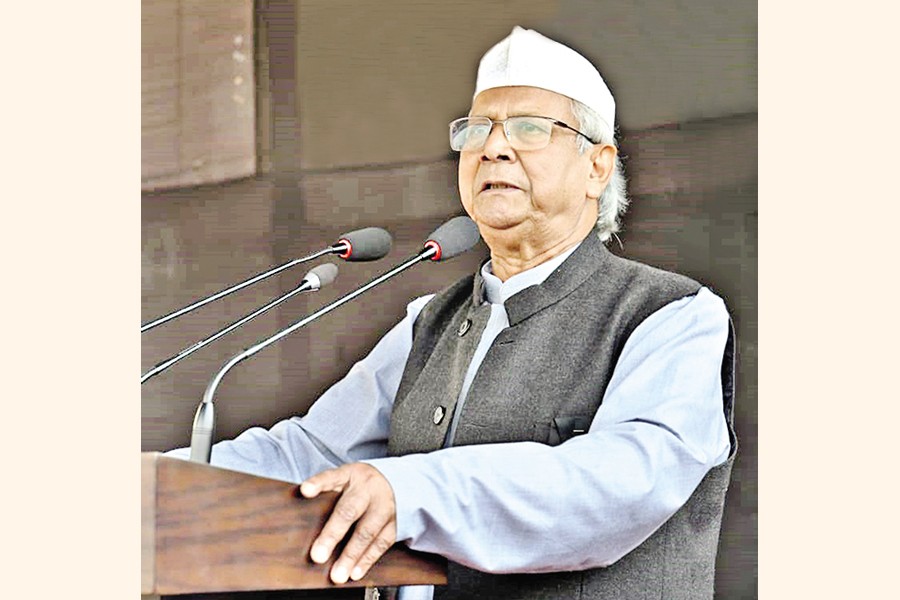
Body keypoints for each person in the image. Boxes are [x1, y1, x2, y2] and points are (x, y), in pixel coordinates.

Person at [167, 26, 736, 600]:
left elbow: (621, 480)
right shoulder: (426, 323)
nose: (493, 147)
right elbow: (308, 454)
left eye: (530, 129)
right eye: (476, 130)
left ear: (597, 166)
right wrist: (161, 480)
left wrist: (410, 492)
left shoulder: (674, 316)